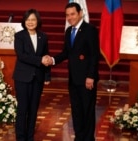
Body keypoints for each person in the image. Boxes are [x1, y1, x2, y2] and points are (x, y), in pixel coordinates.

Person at [44, 2, 100, 141]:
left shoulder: (90, 30)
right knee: (76, 110)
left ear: (80, 13)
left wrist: (90, 76)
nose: (70, 17)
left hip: (87, 79)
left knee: (87, 110)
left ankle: (88, 138)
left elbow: (94, 55)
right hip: (73, 78)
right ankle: (79, 137)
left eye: (73, 14)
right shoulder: (69, 31)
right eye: (67, 15)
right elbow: (65, 53)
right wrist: (52, 60)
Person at [12, 9, 51, 141]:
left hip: (38, 78)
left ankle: (30, 137)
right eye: (28, 20)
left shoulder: (43, 36)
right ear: (24, 21)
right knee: (23, 109)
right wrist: (39, 60)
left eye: (33, 20)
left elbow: (46, 55)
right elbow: (21, 56)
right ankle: (21, 138)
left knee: (33, 109)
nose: (30, 22)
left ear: (37, 21)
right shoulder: (19, 36)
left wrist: (47, 75)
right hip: (22, 78)